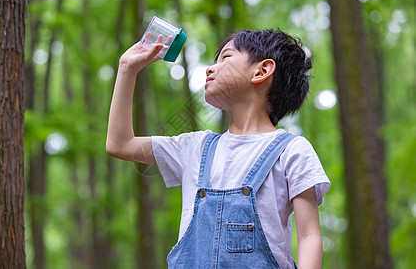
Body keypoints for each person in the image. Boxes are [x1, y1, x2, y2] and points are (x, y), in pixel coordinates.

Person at [106, 29, 330, 269]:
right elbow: (120, 144)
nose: (210, 69)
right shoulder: (194, 147)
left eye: (226, 58)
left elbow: (308, 236)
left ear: (262, 71)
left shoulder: (291, 150)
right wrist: (127, 68)